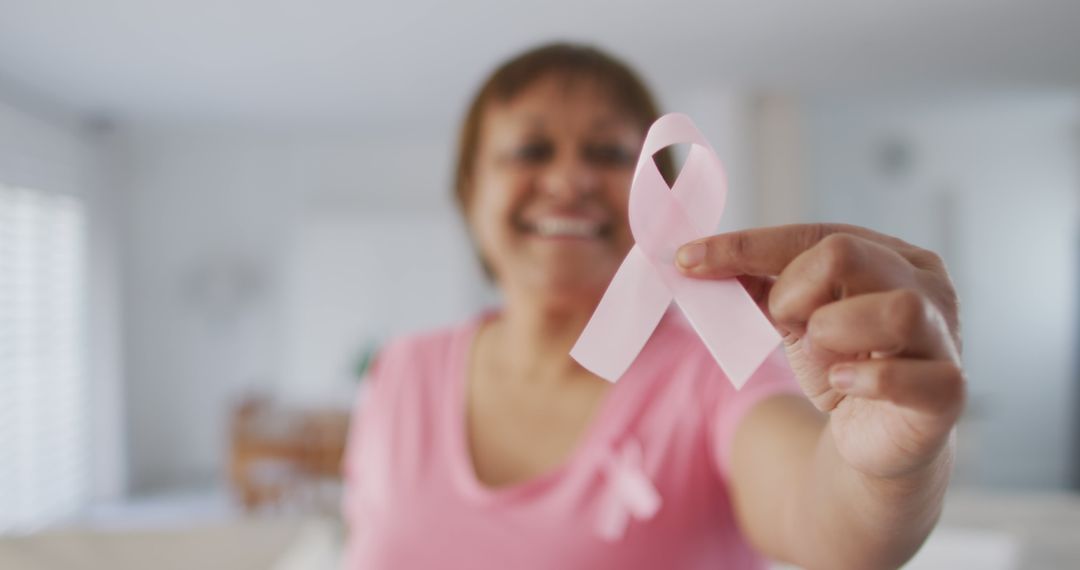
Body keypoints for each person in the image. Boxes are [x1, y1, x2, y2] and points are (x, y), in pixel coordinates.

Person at [342, 43, 964, 570]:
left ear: (663, 199)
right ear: (468, 192)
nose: (569, 181)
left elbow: (823, 514)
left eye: (609, 154)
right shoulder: (400, 371)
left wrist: (886, 468)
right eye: (531, 151)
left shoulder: (714, 378)